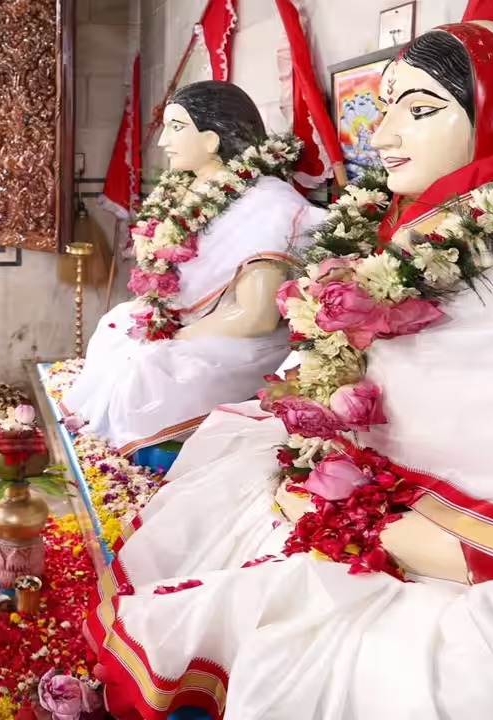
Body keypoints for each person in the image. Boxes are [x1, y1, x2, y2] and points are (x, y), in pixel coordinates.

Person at [84, 22, 493, 719]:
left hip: (487, 563)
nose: (381, 136)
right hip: (364, 491)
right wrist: (326, 484)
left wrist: (364, 525)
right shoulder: (413, 235)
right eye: (384, 108)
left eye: (420, 109)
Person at [60, 81, 326, 457]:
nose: (162, 141)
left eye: (176, 127)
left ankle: (142, 455)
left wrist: (178, 335)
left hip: (243, 342)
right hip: (195, 323)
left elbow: (257, 317)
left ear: (212, 140)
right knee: (115, 327)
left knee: (147, 369)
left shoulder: (267, 205)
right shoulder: (193, 189)